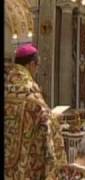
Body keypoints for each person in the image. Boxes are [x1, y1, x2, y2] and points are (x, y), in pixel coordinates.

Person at [4, 43, 67, 179]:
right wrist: (54, 117)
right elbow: (45, 124)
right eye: (37, 66)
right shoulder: (31, 93)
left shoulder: (7, 86)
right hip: (25, 162)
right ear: (31, 64)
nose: (37, 70)